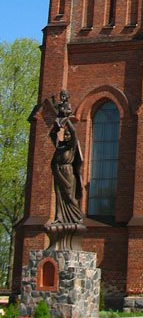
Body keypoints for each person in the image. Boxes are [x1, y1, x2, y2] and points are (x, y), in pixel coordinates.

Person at [49, 92, 84, 224]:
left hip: (68, 173)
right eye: (66, 135)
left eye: (68, 135)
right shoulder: (60, 147)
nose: (67, 136)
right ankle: (59, 218)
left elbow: (74, 132)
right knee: (59, 197)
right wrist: (57, 124)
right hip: (58, 173)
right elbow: (52, 134)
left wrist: (67, 119)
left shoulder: (71, 147)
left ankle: (76, 217)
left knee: (70, 197)